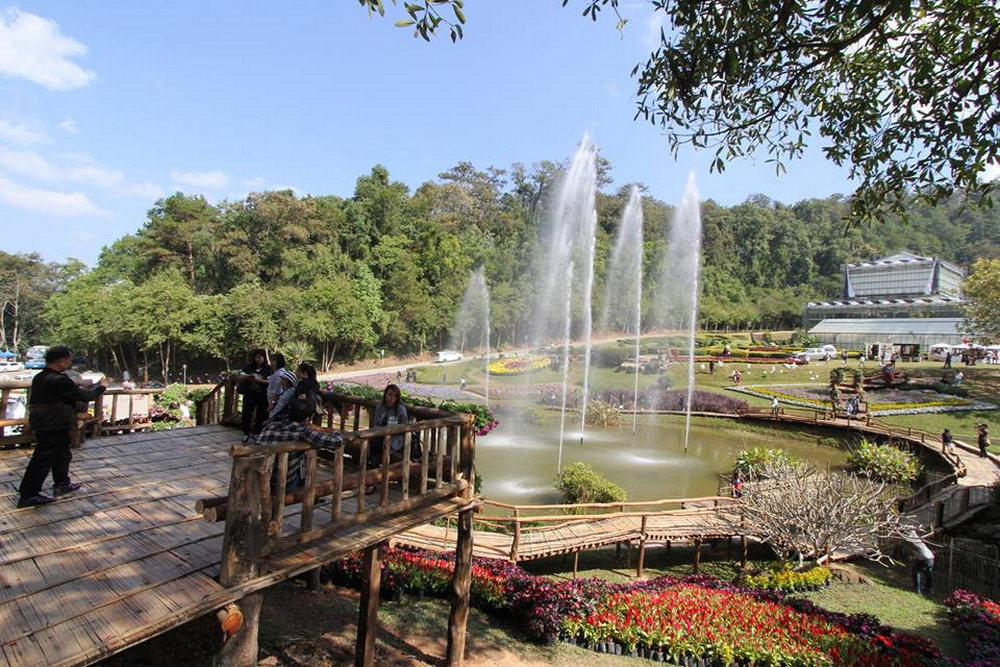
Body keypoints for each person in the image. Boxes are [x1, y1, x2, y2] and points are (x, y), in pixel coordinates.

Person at [16, 346, 108, 508]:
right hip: (52, 424)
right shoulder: (58, 380)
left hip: (48, 422)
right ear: (61, 361)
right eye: (69, 359)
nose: (70, 362)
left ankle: (62, 484)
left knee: (62, 454)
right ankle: (28, 494)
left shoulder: (41, 377)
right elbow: (84, 396)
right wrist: (101, 387)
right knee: (43, 459)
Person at [254, 398, 345, 492]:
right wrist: (333, 431)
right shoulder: (303, 432)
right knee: (301, 472)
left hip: (257, 477)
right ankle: (308, 494)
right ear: (308, 418)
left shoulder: (270, 426)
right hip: (279, 483)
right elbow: (337, 441)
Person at [238, 349, 272, 443]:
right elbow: (240, 375)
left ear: (264, 358)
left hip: (262, 395)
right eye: (256, 357)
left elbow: (270, 381)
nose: (258, 359)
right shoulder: (249, 366)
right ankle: (246, 433)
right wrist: (249, 376)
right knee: (246, 413)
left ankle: (257, 433)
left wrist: (259, 380)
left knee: (261, 415)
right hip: (249, 394)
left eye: (260, 357)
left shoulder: (268, 368)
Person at [371, 383, 408, 465]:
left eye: (394, 396)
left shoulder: (400, 409)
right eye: (389, 395)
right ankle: (373, 466)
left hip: (395, 440)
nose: (391, 398)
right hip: (379, 438)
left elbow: (405, 428)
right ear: (385, 395)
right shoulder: (380, 407)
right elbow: (376, 424)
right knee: (374, 444)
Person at [906, 530, 935, 595]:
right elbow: (913, 532)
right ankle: (929, 589)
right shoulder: (917, 539)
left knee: (916, 572)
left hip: (924, 559)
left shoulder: (912, 541)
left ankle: (916, 589)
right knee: (928, 573)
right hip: (931, 558)